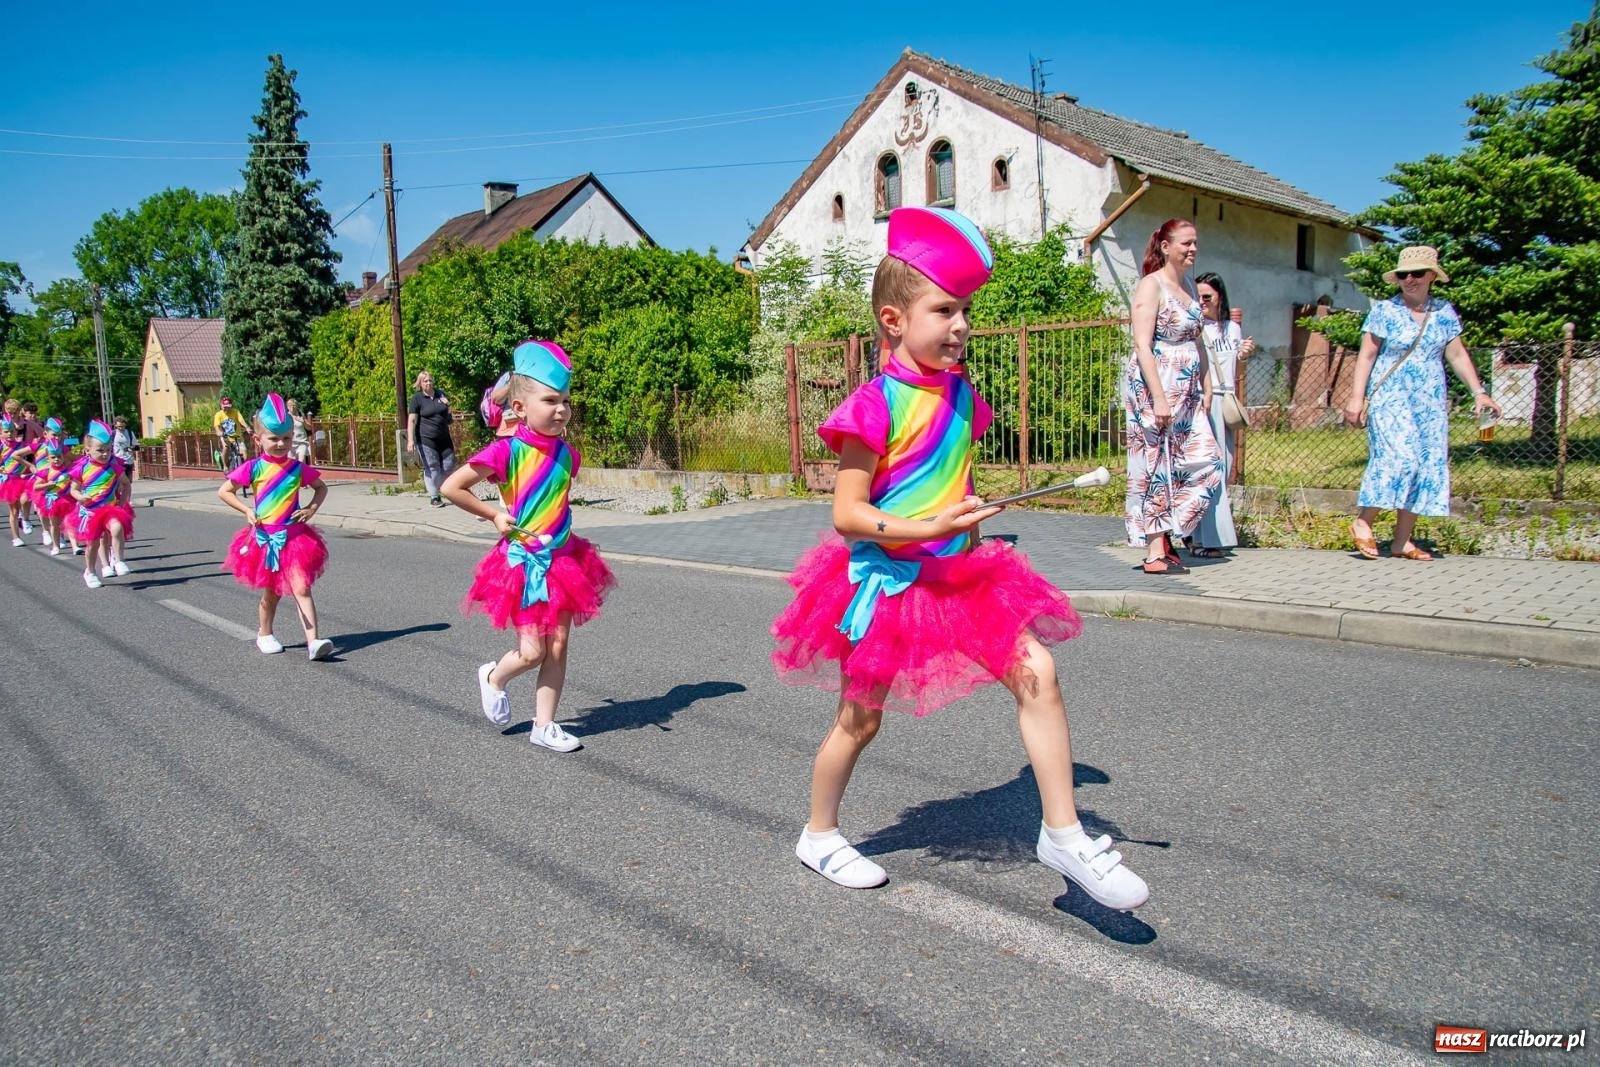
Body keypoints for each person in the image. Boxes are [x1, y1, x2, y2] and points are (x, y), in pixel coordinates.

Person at [770, 206, 1149, 910]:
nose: (961, 325)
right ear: (892, 320)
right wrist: (924, 524)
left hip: (961, 576)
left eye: (965, 310)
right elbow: (847, 513)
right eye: (944, 309)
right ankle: (819, 833)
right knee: (861, 719)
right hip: (890, 583)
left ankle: (1063, 833)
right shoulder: (874, 405)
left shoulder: (961, 395)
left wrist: (970, 519)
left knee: (1039, 670)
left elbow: (953, 475)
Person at [442, 340, 616, 754]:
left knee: (558, 646)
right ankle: (493, 677)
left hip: (564, 561)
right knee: (533, 650)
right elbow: (452, 486)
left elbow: (554, 502)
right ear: (519, 408)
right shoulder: (506, 451)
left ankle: (545, 724)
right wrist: (494, 516)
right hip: (523, 564)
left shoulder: (567, 456)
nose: (562, 409)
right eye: (551, 400)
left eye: (566, 401)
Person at [1343, 246, 1501, 560]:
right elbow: (1367, 355)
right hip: (1391, 397)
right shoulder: (1385, 311)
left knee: (1424, 464)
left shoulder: (1444, 312)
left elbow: (1456, 355)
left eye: (1417, 273)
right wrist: (1356, 398)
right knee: (1399, 459)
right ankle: (1363, 521)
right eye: (1403, 274)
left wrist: (1479, 392)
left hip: (1429, 401)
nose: (1410, 279)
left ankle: (1402, 541)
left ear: (1431, 276)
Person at [1124, 219, 1223, 575]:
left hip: (1189, 389)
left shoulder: (1191, 289)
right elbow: (1141, 343)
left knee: (1208, 463)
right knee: (1156, 465)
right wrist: (1159, 397)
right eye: (1186, 243)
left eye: (1196, 243)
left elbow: (1199, 341)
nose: (1193, 249)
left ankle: (1167, 530)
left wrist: (1208, 384)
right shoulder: (1152, 286)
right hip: (1155, 383)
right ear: (1166, 246)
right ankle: (1154, 550)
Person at [217, 394, 334, 660]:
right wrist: (247, 509)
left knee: (302, 587)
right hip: (267, 541)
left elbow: (320, 488)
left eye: (287, 438)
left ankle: (313, 641)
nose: (281, 444)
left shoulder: (296, 468)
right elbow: (225, 491)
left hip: (295, 540)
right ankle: (265, 633)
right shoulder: (254, 468)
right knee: (272, 594)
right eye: (274, 438)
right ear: (258, 441)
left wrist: (311, 508)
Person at [1191, 273, 1256, 558]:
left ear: (1220, 297)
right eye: (1199, 296)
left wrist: (1243, 357)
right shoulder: (1196, 328)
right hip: (1205, 400)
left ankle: (1197, 535)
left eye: (1208, 297)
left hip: (1225, 399)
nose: (1203, 302)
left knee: (1224, 468)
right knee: (1209, 469)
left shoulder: (1231, 329)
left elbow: (1235, 372)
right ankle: (1208, 540)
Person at [70, 419, 134, 588]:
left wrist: (121, 504)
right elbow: (73, 489)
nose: (105, 454)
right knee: (93, 543)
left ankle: (119, 560)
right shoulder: (82, 468)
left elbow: (126, 485)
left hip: (109, 509)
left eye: (108, 450)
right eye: (100, 450)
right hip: (90, 511)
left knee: (117, 527)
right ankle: (90, 571)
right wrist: (79, 497)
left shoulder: (114, 467)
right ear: (88, 450)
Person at [407, 370, 456, 507]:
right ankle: (435, 497)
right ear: (420, 384)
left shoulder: (441, 394)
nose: (428, 383)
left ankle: (446, 490)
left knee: (449, 466)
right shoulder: (417, 399)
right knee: (433, 467)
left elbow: (449, 418)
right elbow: (412, 420)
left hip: (444, 437)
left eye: (430, 380)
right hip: (426, 438)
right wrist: (410, 440)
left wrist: (448, 405)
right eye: (425, 381)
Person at [30, 441, 76, 557]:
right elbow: (36, 487)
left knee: (69, 522)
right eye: (53, 457)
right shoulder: (46, 472)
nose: (56, 459)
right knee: (55, 525)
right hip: (53, 501)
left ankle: (75, 546)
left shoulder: (69, 470)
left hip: (68, 500)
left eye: (59, 457)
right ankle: (56, 545)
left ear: (63, 457)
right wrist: (47, 485)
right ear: (48, 459)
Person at [0, 416, 37, 546]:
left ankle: (25, 519)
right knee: (14, 510)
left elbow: (35, 446)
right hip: (9, 480)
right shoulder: (1, 446)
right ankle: (16, 537)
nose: (9, 434)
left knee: (27, 498)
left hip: (23, 478)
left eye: (11, 431)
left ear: (16, 432)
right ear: (1, 433)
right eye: (6, 431)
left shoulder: (22, 445)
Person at [214, 397, 247, 476]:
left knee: (245, 455)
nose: (226, 409)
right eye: (224, 406)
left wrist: (247, 427)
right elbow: (217, 427)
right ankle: (225, 466)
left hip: (238, 437)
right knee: (226, 447)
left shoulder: (235, 412)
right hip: (225, 436)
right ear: (221, 405)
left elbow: (241, 421)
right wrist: (220, 433)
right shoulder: (218, 415)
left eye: (228, 406)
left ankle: (243, 472)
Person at [287, 398, 311, 463]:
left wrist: (303, 422)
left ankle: (302, 472)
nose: (292, 407)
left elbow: (309, 428)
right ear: (287, 407)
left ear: (297, 406)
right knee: (291, 463)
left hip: (302, 442)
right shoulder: (286, 416)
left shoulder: (301, 414)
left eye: (294, 405)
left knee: (301, 460)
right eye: (290, 405)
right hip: (291, 443)